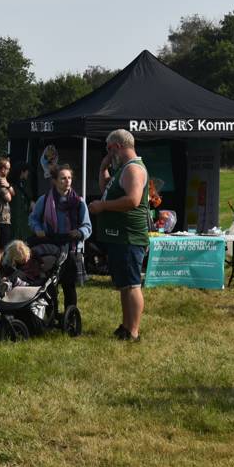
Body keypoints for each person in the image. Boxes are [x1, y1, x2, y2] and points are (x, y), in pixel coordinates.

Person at [88, 129, 150, 341]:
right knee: (124, 284)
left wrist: (102, 206)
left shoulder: (133, 169)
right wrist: (103, 168)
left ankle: (133, 331)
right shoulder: (122, 168)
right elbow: (106, 188)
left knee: (132, 284)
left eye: (109, 149)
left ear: (117, 146)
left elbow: (133, 200)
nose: (108, 154)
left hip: (129, 237)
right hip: (119, 237)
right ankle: (126, 326)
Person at [29, 163, 91, 311]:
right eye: (63, 178)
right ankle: (51, 315)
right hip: (50, 247)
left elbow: (87, 226)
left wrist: (80, 232)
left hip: (71, 249)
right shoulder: (44, 200)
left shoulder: (79, 202)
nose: (67, 181)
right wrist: (37, 229)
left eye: (69, 178)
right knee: (50, 286)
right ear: (55, 181)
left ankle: (71, 317)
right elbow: (33, 219)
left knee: (69, 286)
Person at [9, 161, 35, 242]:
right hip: (16, 217)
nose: (28, 173)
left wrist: (30, 202)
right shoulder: (12, 185)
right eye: (27, 171)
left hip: (24, 216)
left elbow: (28, 196)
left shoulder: (24, 183)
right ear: (22, 172)